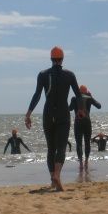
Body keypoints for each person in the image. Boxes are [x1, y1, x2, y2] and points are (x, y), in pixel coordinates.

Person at [25, 46, 82, 191]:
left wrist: (28, 114)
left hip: (48, 114)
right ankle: (57, 175)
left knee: (51, 148)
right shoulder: (69, 75)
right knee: (61, 147)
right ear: (62, 59)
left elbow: (37, 95)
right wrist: (80, 111)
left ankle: (52, 180)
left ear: (51, 59)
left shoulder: (43, 75)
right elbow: (78, 95)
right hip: (63, 114)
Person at [69, 85, 101, 170]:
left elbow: (70, 108)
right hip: (87, 122)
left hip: (78, 123)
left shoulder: (74, 98)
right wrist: (91, 97)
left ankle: (80, 163)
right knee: (87, 142)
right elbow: (99, 106)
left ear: (79, 91)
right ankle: (86, 161)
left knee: (78, 143)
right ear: (86, 91)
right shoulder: (89, 98)